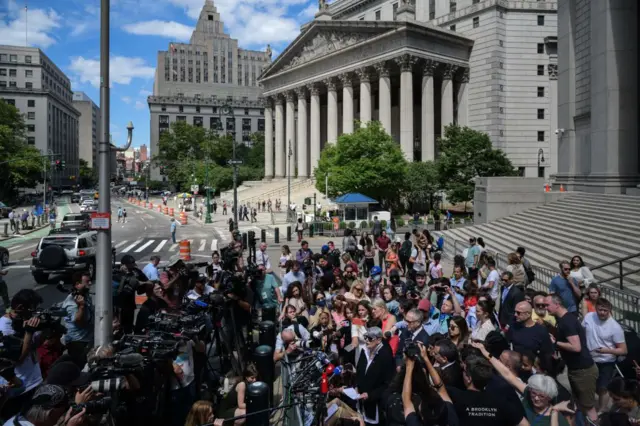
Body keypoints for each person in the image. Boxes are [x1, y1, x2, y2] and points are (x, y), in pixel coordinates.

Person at [545, 293, 599, 423]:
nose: (545, 308)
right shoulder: (564, 320)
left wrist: (555, 343)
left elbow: (576, 347)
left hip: (583, 371)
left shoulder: (566, 322)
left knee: (588, 407)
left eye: (547, 305)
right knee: (578, 404)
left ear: (557, 304)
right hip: (577, 369)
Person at [0, 289, 46, 420]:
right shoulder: (4, 328)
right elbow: (17, 359)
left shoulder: (24, 320)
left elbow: (34, 345)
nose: (34, 314)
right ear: (20, 308)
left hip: (34, 381)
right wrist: (29, 332)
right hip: (18, 389)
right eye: (32, 309)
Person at [582, 297, 628, 411]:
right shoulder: (589, 316)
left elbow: (623, 350)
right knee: (587, 386)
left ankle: (602, 411)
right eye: (600, 310)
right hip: (589, 359)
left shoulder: (615, 327)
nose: (602, 313)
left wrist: (606, 350)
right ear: (596, 308)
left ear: (610, 311)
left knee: (603, 388)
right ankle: (588, 408)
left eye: (605, 311)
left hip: (606, 361)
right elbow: (582, 331)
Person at [355, 327, 395, 425]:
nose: (366, 341)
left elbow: (388, 383)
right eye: (365, 337)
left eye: (370, 338)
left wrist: (371, 395)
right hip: (362, 400)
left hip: (376, 403)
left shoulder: (385, 355)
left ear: (378, 340)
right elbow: (359, 371)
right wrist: (357, 386)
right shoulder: (365, 350)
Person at [61, 273, 94, 364]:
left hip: (88, 338)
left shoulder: (85, 295)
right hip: (78, 342)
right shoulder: (71, 303)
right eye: (87, 281)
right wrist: (81, 307)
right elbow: (80, 323)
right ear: (77, 284)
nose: (90, 283)